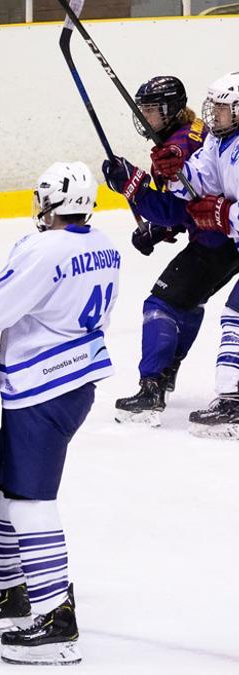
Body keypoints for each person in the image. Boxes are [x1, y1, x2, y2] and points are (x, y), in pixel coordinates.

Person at [0, 161, 120, 666]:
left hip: (44, 388)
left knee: (30, 501)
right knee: (1, 488)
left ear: (51, 203)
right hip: (66, 381)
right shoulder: (104, 245)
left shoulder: (41, 248)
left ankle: (55, 617)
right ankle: (13, 594)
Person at [101, 75, 234, 424]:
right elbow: (190, 199)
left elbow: (182, 207)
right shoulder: (192, 136)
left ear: (170, 110)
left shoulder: (185, 141)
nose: (144, 117)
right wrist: (159, 230)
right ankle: (163, 375)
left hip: (218, 240)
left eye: (150, 110)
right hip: (222, 236)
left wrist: (136, 189)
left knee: (164, 302)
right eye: (141, 110)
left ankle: (153, 386)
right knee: (185, 301)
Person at [161, 72, 239, 436]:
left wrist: (226, 214)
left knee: (235, 319)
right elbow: (198, 182)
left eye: (222, 107)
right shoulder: (218, 144)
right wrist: (175, 172)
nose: (213, 113)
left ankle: (232, 401)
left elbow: (224, 208)